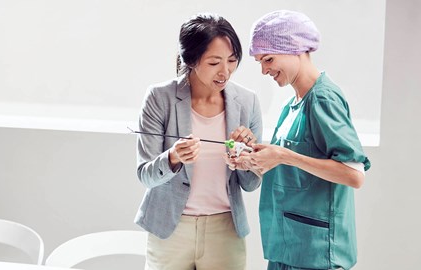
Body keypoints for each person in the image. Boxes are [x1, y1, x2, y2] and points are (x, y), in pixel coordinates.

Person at [227, 10, 371, 270]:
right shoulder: (292, 104)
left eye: (268, 59)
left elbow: (354, 174)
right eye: (260, 61)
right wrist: (253, 159)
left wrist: (283, 155)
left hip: (315, 253)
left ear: (295, 48)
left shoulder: (323, 99)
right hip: (288, 247)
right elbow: (294, 170)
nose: (264, 70)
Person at [134, 13, 262, 270]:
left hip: (225, 230)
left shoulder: (247, 102)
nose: (225, 71)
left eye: (232, 60)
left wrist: (247, 159)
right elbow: (145, 175)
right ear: (191, 60)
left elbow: (251, 184)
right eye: (214, 62)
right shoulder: (160, 98)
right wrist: (172, 157)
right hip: (170, 228)